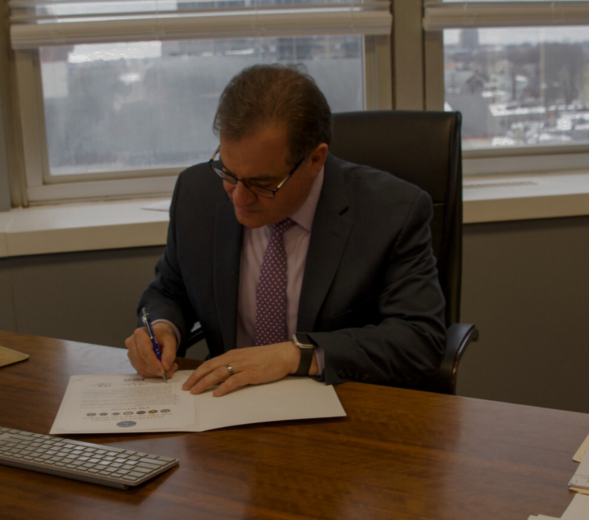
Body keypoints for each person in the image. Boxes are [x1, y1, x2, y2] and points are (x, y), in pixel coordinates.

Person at [125, 64, 446, 397]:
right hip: (224, 405)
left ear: (315, 159)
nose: (239, 197)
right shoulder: (196, 193)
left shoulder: (391, 211)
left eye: (262, 183)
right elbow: (169, 289)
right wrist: (162, 328)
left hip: (342, 408)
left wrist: (296, 354)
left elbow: (419, 339)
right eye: (229, 173)